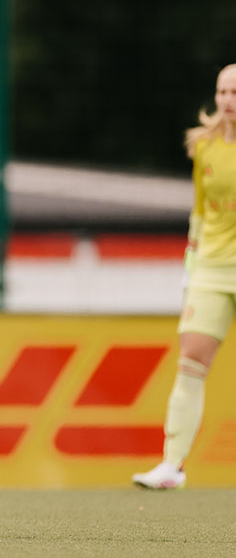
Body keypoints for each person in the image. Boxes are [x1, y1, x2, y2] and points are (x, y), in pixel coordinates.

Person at [132, 64, 236, 490]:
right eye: (223, 91)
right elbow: (200, 210)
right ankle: (172, 465)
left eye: (235, 91)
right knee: (190, 362)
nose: (229, 100)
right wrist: (190, 265)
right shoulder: (205, 146)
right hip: (212, 269)